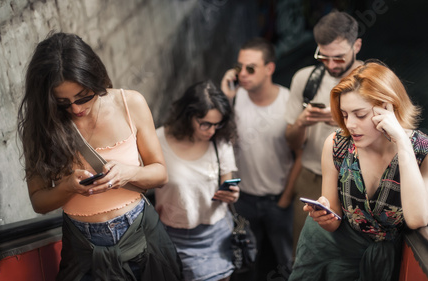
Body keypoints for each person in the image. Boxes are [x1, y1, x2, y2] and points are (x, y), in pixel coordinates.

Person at [17, 32, 182, 281]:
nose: (76, 108)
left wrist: (128, 172)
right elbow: (39, 202)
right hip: (83, 246)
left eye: (84, 96)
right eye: (62, 103)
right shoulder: (40, 128)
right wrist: (69, 186)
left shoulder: (130, 103)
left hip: (140, 233)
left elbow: (160, 173)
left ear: (96, 79)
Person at [289, 60, 428, 281]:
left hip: (384, 262)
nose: (350, 124)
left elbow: (417, 218)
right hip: (326, 250)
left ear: (387, 107)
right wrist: (324, 214)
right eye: (344, 115)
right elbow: (334, 221)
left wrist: (402, 142)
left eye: (360, 115)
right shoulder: (336, 144)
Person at [284, 11, 364, 252]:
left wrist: (341, 121)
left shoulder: (375, 83)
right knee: (305, 251)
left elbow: (388, 138)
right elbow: (291, 142)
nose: (331, 65)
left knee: (349, 256)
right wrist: (301, 123)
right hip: (311, 179)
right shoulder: (305, 79)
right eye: (323, 57)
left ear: (357, 46)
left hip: (358, 183)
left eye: (339, 58)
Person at [220, 37, 295, 280]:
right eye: (239, 67)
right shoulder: (236, 98)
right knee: (246, 261)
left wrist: (285, 199)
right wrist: (226, 99)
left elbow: (302, 153)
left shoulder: (288, 102)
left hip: (278, 199)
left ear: (269, 69)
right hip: (244, 200)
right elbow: (222, 144)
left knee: (288, 260)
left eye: (250, 68)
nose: (242, 74)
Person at [154, 81, 240, 281]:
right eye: (205, 124)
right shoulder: (159, 140)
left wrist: (232, 194)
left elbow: (228, 184)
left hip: (217, 231)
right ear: (188, 116)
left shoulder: (220, 140)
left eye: (217, 124)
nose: (211, 130)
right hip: (175, 234)